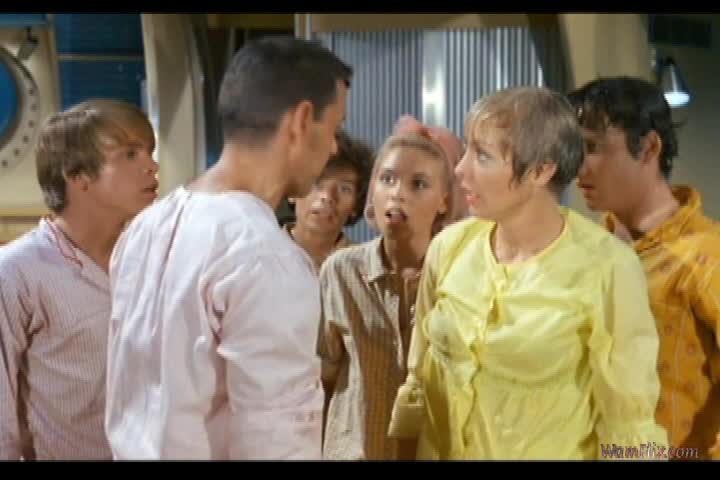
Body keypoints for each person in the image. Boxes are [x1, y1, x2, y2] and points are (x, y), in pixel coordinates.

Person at [105, 36, 351, 460]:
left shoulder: (146, 226)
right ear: (300, 120)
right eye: (333, 128)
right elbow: (277, 438)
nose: (333, 147)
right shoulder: (263, 252)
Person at [389, 87, 667, 460]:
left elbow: (629, 422)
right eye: (467, 150)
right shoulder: (449, 248)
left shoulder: (607, 266)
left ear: (541, 170)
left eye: (482, 156)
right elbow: (419, 380)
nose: (459, 169)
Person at [568, 76, 720, 459]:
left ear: (649, 147)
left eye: (592, 147)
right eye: (574, 148)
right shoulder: (583, 250)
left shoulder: (707, 256)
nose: (579, 165)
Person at [0, 99, 158, 460]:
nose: (152, 166)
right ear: (77, 176)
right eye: (130, 154)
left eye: (149, 152)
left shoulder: (152, 259)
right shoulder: (17, 272)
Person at [318, 116, 461, 460]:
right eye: (387, 179)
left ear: (443, 201)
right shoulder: (341, 271)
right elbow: (322, 377)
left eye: (418, 184)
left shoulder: (458, 276)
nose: (397, 193)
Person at [285, 130, 373, 269]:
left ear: (355, 206)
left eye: (344, 189)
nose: (327, 197)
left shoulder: (366, 268)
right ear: (293, 192)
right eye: (316, 182)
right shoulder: (259, 252)